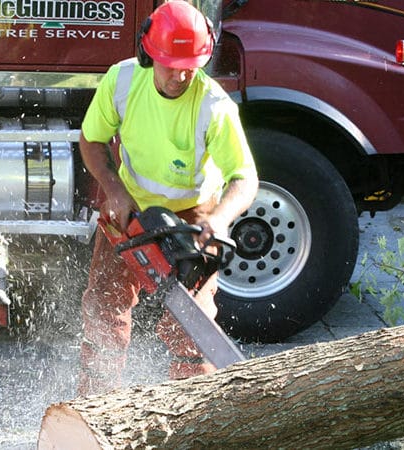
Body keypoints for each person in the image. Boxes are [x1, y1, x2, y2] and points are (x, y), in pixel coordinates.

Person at [77, 0, 258, 396]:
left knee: (192, 328)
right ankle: (95, 404)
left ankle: (192, 409)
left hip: (193, 216)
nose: (179, 76)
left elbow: (245, 178)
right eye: (170, 64)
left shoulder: (214, 105)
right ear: (148, 53)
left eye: (188, 67)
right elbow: (91, 140)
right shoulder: (122, 81)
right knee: (103, 308)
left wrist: (221, 219)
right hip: (131, 208)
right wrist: (114, 190)